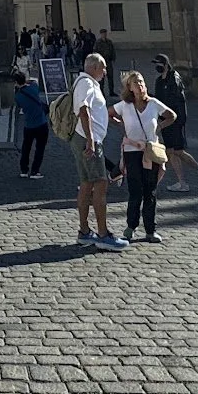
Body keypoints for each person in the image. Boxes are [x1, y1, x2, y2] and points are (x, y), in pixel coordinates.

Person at [113, 71, 175, 243]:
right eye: (135, 83)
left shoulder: (154, 103)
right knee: (135, 190)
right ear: (130, 88)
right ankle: (131, 226)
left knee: (150, 191)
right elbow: (108, 113)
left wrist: (160, 126)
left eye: (141, 82)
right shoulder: (125, 105)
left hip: (150, 151)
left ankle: (150, 230)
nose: (139, 86)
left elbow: (172, 115)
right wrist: (120, 124)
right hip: (132, 151)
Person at [73, 53, 127, 250]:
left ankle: (85, 231)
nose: (105, 72)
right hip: (89, 140)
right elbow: (84, 110)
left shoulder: (88, 84)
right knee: (101, 183)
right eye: (103, 68)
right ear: (94, 67)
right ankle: (103, 234)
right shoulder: (86, 84)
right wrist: (90, 140)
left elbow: (96, 112)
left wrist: (116, 123)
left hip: (88, 138)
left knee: (87, 184)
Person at [153, 55, 198, 191]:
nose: (157, 66)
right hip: (165, 120)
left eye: (159, 63)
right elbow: (158, 101)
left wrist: (180, 120)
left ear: (165, 64)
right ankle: (182, 182)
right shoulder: (159, 81)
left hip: (176, 120)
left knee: (178, 151)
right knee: (171, 151)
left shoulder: (174, 78)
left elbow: (179, 101)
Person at [14, 71, 51, 178]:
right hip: (41, 123)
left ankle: (24, 170)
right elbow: (34, 81)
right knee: (40, 148)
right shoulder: (34, 88)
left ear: (16, 83)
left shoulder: (18, 96)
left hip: (28, 125)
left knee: (26, 147)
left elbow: (20, 106)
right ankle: (35, 171)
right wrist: (26, 81)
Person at [94, 31, 119, 98]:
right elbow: (95, 51)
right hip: (101, 63)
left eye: (105, 33)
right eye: (103, 34)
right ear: (101, 34)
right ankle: (101, 92)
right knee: (101, 78)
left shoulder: (109, 42)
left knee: (110, 77)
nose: (104, 35)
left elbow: (112, 50)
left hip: (108, 61)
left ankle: (111, 91)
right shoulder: (98, 42)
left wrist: (113, 57)